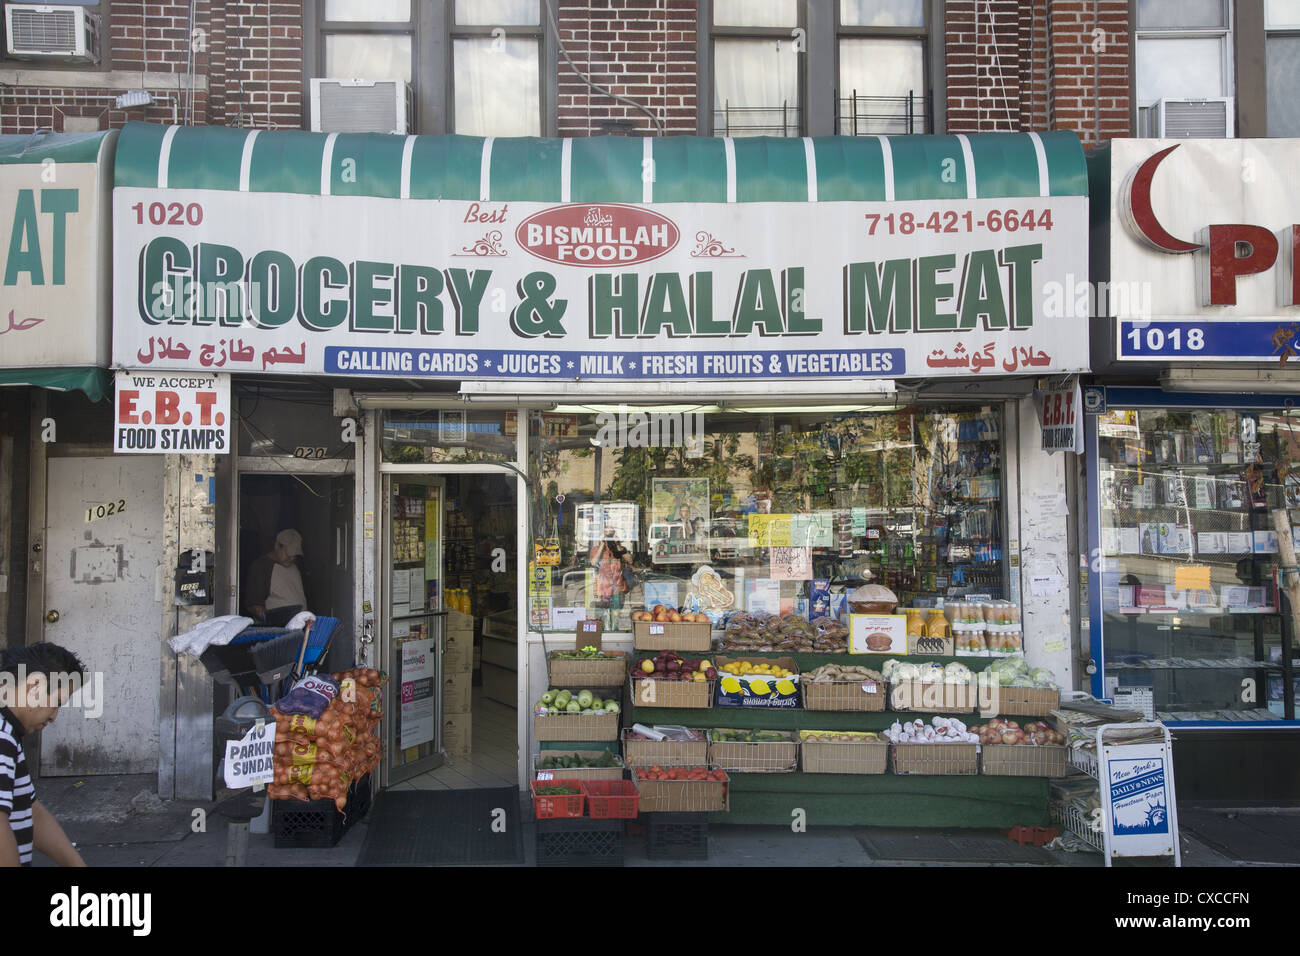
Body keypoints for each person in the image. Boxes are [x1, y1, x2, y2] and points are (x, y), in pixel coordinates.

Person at [0, 643, 87, 867]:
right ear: (35, 685)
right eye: (56, 703)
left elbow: (32, 811)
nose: (54, 716)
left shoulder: (8, 733)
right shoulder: (2, 738)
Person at [245, 529, 308, 626]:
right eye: (289, 553)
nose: (292, 558)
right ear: (277, 545)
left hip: (301, 628)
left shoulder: (295, 568)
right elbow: (254, 605)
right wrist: (273, 622)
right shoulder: (261, 566)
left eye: (295, 555)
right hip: (277, 631)